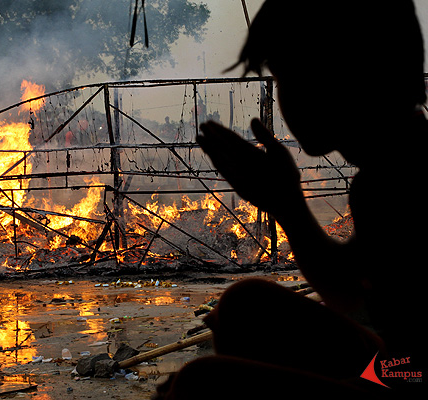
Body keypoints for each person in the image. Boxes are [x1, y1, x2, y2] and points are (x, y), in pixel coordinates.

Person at [155, 0, 426, 397]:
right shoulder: (389, 168)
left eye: (288, 77)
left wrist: (348, 383)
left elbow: (412, 370)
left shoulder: (404, 182)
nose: (283, 99)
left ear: (348, 74)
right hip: (397, 364)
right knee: (245, 307)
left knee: (200, 385)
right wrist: (287, 203)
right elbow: (351, 289)